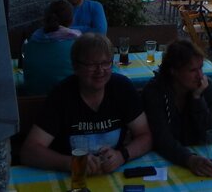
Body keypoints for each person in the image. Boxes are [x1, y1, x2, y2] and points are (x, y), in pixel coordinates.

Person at [20, 33, 152, 174]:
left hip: (112, 175)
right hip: (71, 178)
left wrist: (122, 156)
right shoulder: (61, 96)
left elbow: (146, 136)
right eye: (91, 64)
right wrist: (72, 163)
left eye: (105, 63)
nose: (100, 70)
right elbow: (29, 151)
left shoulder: (122, 89)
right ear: (76, 67)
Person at [142, 39, 212, 177]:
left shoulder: (206, 88)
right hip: (163, 164)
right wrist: (189, 159)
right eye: (192, 70)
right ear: (174, 71)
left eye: (201, 68)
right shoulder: (155, 92)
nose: (200, 76)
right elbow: (162, 138)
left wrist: (197, 99)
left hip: (203, 159)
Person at [21, 0, 82, 95]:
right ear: (71, 20)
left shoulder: (31, 43)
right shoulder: (78, 45)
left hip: (31, 99)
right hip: (66, 100)